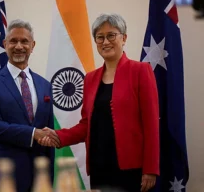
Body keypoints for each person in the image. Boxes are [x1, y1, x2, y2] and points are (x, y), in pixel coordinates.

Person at [39, 13, 159, 192]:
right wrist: (58, 136)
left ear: (124, 38)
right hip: (99, 166)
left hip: (131, 169)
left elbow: (151, 124)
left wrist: (150, 169)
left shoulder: (140, 71)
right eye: (100, 37)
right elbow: (86, 124)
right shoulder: (90, 78)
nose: (105, 42)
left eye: (111, 35)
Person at [0, 19, 59, 192]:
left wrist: (50, 177)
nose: (19, 46)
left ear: (33, 45)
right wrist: (33, 134)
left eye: (24, 41)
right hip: (1, 176)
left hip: (38, 178)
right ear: (5, 44)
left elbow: (48, 134)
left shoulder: (45, 85)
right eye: (13, 41)